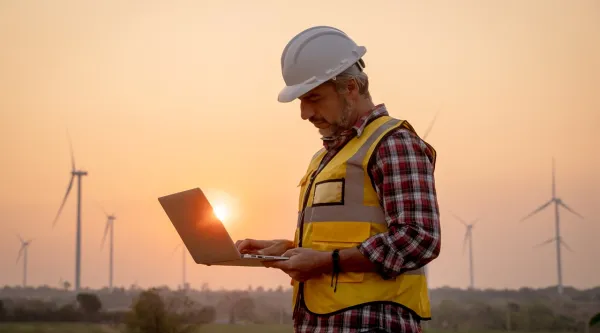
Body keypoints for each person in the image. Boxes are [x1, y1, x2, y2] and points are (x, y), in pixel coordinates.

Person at [236, 26, 441, 333]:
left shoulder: (393, 143)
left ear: (350, 88)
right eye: (300, 102)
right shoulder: (326, 158)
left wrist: (324, 262)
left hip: (371, 324)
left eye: (314, 98)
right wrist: (291, 248)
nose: (305, 113)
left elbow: (418, 239)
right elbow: (344, 241)